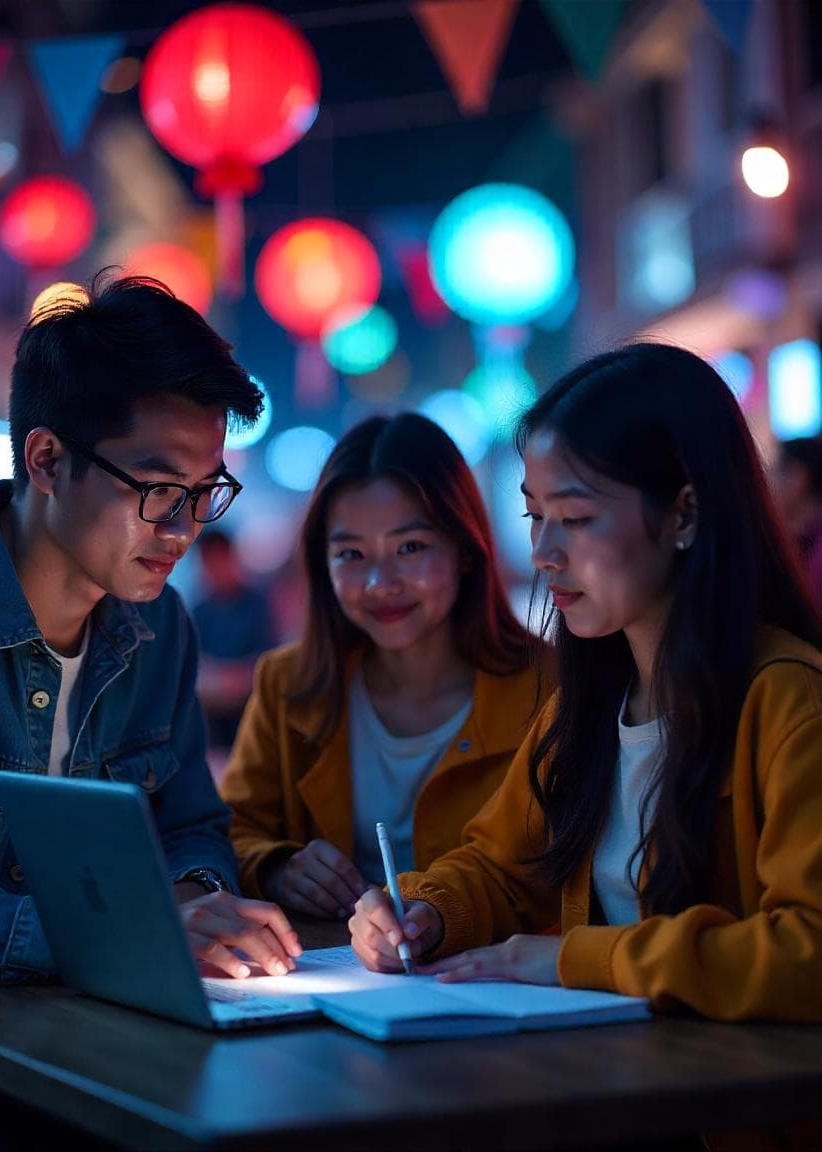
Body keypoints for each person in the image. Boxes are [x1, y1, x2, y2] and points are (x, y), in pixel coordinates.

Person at [350, 343, 822, 1029]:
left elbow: (807, 951)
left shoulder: (787, 703)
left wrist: (575, 958)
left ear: (685, 514)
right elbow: (502, 866)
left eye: (573, 519)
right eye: (532, 515)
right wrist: (425, 913)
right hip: (612, 1077)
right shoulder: (592, 701)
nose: (544, 552)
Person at [0, 275, 301, 987]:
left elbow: (190, 825)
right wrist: (133, 933)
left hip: (111, 1049)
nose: (184, 528)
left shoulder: (159, 626)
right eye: (159, 489)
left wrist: (199, 902)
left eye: (203, 493)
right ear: (47, 461)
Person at [220, 412, 546, 919]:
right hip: (333, 978)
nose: (380, 583)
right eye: (351, 553)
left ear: (464, 548)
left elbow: (548, 873)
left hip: (498, 982)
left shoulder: (549, 688)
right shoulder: (289, 684)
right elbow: (231, 831)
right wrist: (278, 868)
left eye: (410, 548)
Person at [193, 528, 277, 761]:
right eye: (209, 562)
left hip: (255, 715)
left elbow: (271, 658)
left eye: (220, 559)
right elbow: (196, 664)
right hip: (213, 722)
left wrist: (236, 677)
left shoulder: (258, 603)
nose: (215, 569)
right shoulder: (201, 610)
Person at [769, 435, 822, 614]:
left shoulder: (817, 555)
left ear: (797, 478)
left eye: (774, 472)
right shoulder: (800, 541)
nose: (767, 484)